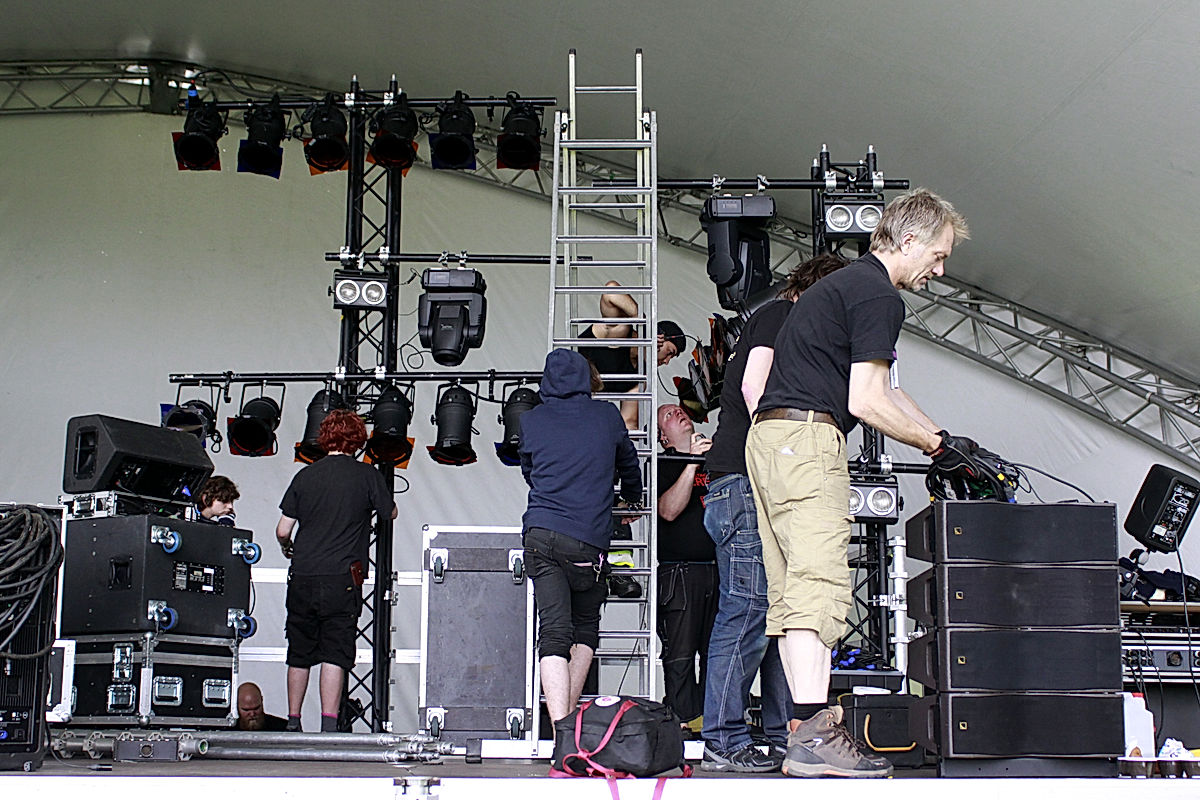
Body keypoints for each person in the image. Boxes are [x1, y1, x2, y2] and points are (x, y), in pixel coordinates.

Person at [745, 188, 979, 778]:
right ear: (909, 240)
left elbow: (889, 391)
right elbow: (867, 400)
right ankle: (817, 736)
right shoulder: (879, 295)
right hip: (808, 440)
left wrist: (943, 439)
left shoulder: (846, 285)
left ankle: (804, 731)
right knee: (818, 589)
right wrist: (930, 447)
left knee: (791, 595)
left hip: (772, 441)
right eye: (940, 254)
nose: (941, 269)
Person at [699, 252, 848, 773]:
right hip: (747, 480)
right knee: (749, 611)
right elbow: (753, 385)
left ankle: (787, 734)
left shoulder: (783, 319)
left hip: (744, 481)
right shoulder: (781, 315)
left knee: (780, 611)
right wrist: (782, 452)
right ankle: (722, 738)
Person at [519, 348, 643, 731]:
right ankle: (567, 727)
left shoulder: (531, 420)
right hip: (588, 539)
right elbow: (629, 463)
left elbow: (529, 470)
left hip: (540, 533)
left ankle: (560, 732)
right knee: (585, 626)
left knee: (553, 632)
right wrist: (631, 496)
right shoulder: (606, 416)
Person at [275, 409, 398, 733]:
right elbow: (390, 513)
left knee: (299, 651)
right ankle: (329, 725)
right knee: (335, 651)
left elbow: (283, 530)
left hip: (303, 574)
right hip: (342, 577)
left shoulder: (305, 475)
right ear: (358, 440)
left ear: (324, 437)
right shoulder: (367, 475)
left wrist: (289, 550)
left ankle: (293, 721)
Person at [654, 403, 717, 735]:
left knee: (717, 651)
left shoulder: (716, 459)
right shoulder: (663, 463)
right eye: (668, 415)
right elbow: (667, 511)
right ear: (664, 438)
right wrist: (692, 461)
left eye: (679, 410)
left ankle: (714, 721)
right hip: (679, 571)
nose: (678, 413)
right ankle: (681, 723)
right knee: (680, 654)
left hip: (719, 569)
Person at [578, 280, 686, 429]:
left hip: (579, 415)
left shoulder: (640, 377)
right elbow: (610, 290)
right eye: (669, 353)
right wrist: (647, 326)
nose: (667, 362)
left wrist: (656, 435)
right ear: (659, 337)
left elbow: (628, 423)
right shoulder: (621, 333)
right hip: (556, 395)